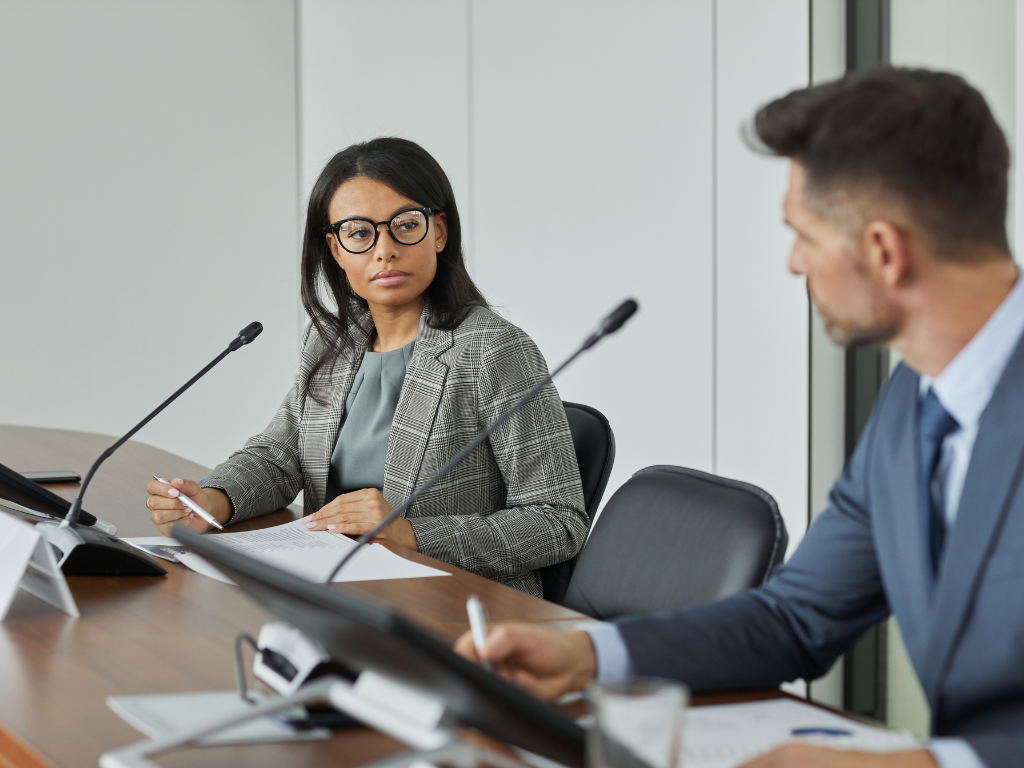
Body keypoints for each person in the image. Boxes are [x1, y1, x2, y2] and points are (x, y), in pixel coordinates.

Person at [456, 69, 1024, 767]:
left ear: (883, 250)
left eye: (804, 235)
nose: (793, 263)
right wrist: (588, 652)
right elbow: (796, 615)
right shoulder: (916, 400)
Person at [146, 137, 588, 597]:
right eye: (360, 233)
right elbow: (281, 456)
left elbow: (558, 521)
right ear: (336, 250)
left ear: (439, 231)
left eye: (405, 225)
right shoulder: (331, 342)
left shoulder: (494, 350)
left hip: (457, 607)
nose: (384, 250)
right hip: (339, 595)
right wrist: (214, 500)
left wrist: (411, 535)